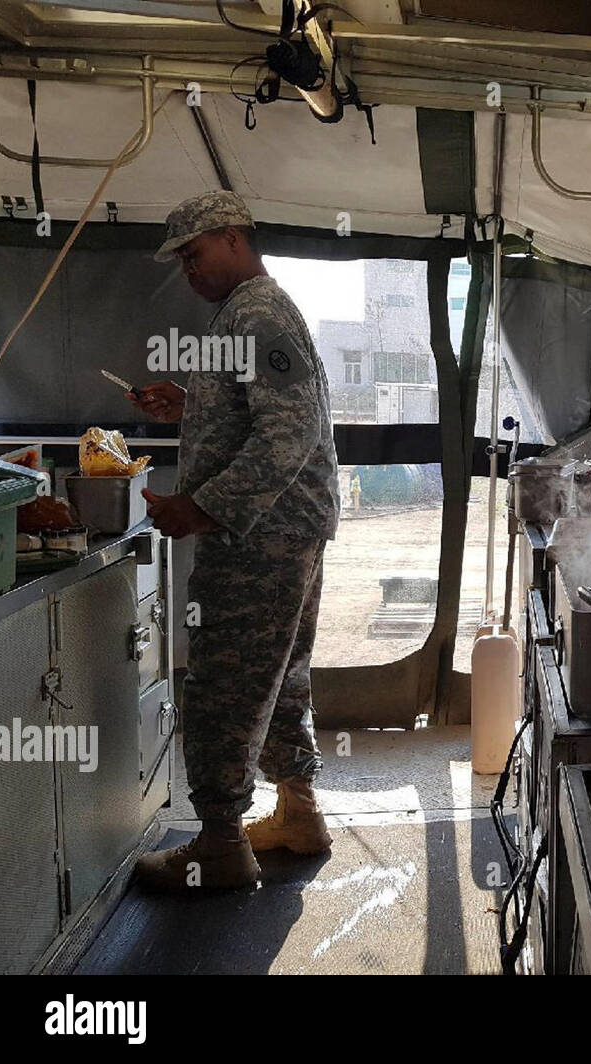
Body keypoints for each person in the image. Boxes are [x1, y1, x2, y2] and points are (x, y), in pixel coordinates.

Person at [130, 191, 341, 891]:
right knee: (280, 676)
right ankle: (298, 813)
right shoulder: (247, 315)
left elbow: (289, 433)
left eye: (193, 253)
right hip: (286, 531)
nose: (187, 269)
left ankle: (220, 844)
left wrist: (202, 507)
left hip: (260, 536)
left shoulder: (256, 311)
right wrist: (190, 405)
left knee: (224, 682)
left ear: (231, 238)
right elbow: (261, 411)